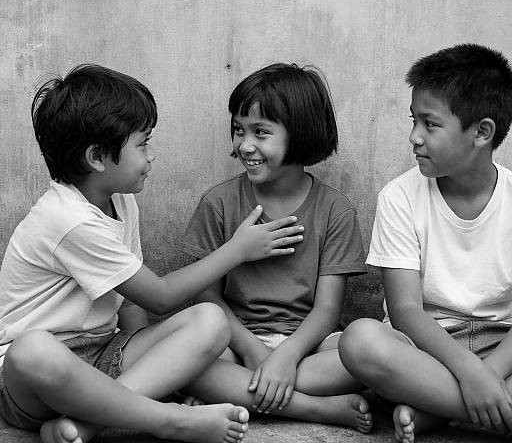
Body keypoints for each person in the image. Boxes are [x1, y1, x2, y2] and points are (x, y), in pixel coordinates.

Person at [0, 64, 305, 443]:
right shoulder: (67, 219)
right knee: (33, 350)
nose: (151, 155)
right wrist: (237, 250)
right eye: (142, 144)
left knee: (210, 321)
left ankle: (90, 423)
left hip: (104, 357)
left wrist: (157, 360)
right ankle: (167, 420)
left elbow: (129, 301)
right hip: (35, 383)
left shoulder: (121, 202)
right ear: (98, 157)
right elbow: (159, 295)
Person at [178, 63, 373, 433]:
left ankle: (233, 393)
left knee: (371, 354)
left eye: (261, 132)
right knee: (186, 354)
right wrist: (254, 351)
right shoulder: (219, 203)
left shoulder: (335, 209)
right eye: (239, 130)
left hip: (309, 348)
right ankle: (317, 409)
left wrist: (285, 357)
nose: (244, 145)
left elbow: (328, 307)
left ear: (300, 134)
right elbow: (206, 300)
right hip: (235, 341)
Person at [338, 43, 512, 442]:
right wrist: (470, 374)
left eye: (430, 125)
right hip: (424, 348)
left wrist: (488, 374)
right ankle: (487, 411)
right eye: (413, 120)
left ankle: (439, 410)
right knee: (360, 341)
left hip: (502, 345)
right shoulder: (400, 196)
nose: (414, 137)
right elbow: (404, 311)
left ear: (482, 132)